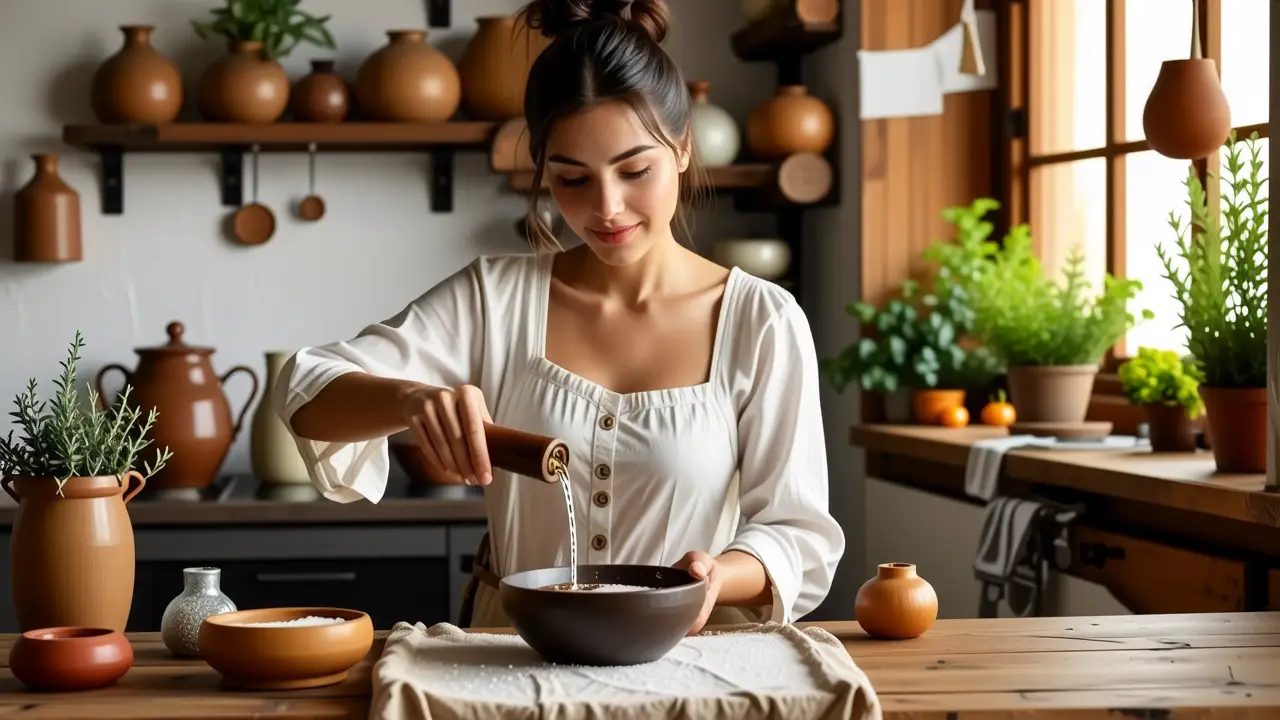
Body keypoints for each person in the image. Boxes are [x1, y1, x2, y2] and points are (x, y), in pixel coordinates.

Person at [273, 0, 844, 634]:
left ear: (682, 149)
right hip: (516, 653)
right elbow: (306, 387)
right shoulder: (495, 298)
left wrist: (720, 574)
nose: (607, 208)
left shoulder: (761, 320)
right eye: (572, 178)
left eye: (635, 171)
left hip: (691, 656)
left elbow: (797, 532)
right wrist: (410, 399)